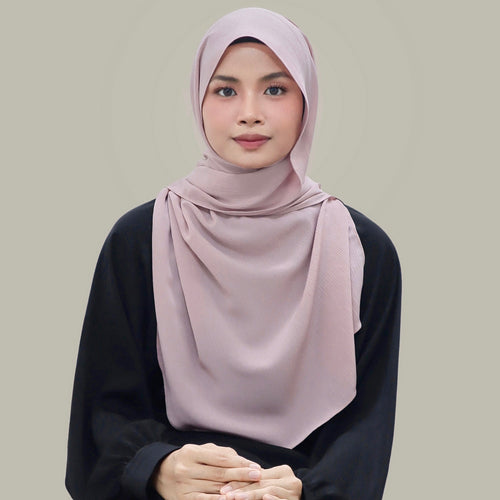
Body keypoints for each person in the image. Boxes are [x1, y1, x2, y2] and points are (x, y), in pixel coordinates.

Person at [66, 7, 401, 500]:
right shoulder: (141, 238)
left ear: (307, 101)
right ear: (198, 100)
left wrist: (306, 491)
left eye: (275, 89)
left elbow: (366, 430)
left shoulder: (362, 248)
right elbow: (101, 416)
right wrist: (156, 468)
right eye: (225, 91)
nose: (250, 112)